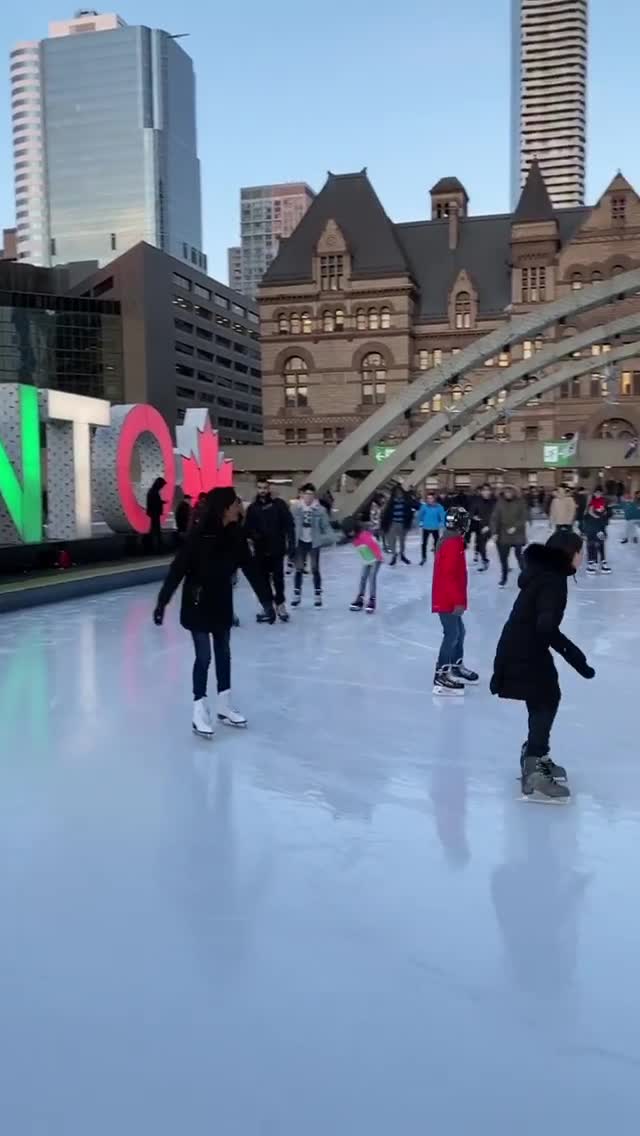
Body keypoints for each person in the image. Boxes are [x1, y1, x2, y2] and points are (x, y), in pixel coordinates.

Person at [153, 487, 275, 739]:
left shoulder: (235, 537)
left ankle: (223, 705)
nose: (240, 506)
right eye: (235, 503)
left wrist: (267, 600)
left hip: (220, 603)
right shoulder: (198, 537)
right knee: (204, 656)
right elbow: (177, 571)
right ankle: (199, 709)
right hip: (197, 604)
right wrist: (162, 602)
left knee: (224, 653)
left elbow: (251, 569)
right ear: (225, 508)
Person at [490, 531, 595, 801]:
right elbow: (546, 626)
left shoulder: (543, 573)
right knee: (546, 697)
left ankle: (534, 755)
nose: (581, 557)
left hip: (521, 644)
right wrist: (573, 655)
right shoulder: (554, 581)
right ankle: (535, 762)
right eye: (579, 551)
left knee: (543, 697)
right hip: (526, 647)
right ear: (568, 553)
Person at [431, 506, 479, 695]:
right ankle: (441, 676)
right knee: (451, 634)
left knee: (459, 632)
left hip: (449, 595)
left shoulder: (453, 539)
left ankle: (455, 667)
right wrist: (458, 601)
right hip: (447, 598)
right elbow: (449, 575)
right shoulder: (452, 543)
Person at [245, 479, 295, 622]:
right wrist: (254, 535)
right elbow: (247, 529)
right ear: (257, 489)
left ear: (269, 488)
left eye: (265, 488)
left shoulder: (279, 505)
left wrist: (292, 545)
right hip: (260, 550)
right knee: (263, 580)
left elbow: (289, 525)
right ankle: (267, 606)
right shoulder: (253, 508)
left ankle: (280, 604)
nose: (262, 491)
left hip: (277, 548)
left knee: (278, 579)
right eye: (260, 488)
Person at [291, 483, 335, 607]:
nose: (309, 497)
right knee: (299, 569)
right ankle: (296, 595)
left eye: (311, 495)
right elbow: (290, 524)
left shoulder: (320, 510)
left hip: (314, 542)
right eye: (307, 494)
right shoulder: (295, 508)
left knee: (315, 569)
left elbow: (325, 525)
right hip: (300, 542)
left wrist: (332, 537)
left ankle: (317, 595)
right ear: (302, 494)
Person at [343, 517, 383, 613]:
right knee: (363, 577)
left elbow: (375, 546)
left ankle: (372, 600)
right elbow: (360, 548)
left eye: (351, 531)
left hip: (375, 559)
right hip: (366, 558)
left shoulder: (364, 535)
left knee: (372, 578)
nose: (350, 533)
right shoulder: (353, 538)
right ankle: (360, 598)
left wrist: (377, 559)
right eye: (348, 532)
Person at [491, 486, 528, 586]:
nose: (508, 494)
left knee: (519, 555)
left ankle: (527, 576)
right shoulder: (499, 503)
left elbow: (524, 516)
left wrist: (515, 527)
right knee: (503, 557)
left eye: (510, 492)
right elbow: (494, 518)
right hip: (503, 533)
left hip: (517, 533)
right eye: (506, 492)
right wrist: (494, 532)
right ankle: (504, 577)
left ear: (514, 492)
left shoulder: (520, 502)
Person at [382, 483, 413, 565]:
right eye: (397, 492)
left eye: (400, 492)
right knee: (392, 540)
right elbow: (386, 513)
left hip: (402, 524)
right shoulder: (391, 502)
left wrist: (408, 523)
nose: (399, 494)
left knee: (402, 541)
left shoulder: (406, 501)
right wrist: (384, 525)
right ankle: (394, 555)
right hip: (393, 523)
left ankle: (402, 554)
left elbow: (410, 512)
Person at [583, 489, 611, 573]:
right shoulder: (589, 506)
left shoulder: (604, 503)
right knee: (591, 545)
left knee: (601, 544)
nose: (598, 494)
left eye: (599, 492)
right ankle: (591, 563)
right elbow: (586, 517)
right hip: (591, 529)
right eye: (596, 493)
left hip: (600, 528)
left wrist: (604, 513)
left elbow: (608, 514)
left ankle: (603, 562)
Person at [417, 490, 445, 564]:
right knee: (424, 543)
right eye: (428, 498)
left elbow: (442, 516)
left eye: (431, 498)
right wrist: (421, 521)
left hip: (435, 527)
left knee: (436, 543)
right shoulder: (424, 506)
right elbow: (420, 515)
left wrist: (442, 524)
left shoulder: (439, 507)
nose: (429, 500)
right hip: (426, 527)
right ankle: (423, 558)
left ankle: (437, 557)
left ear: (434, 499)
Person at [471, 484, 494, 571]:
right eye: (484, 490)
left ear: (490, 491)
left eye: (488, 490)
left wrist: (489, 526)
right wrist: (474, 516)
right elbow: (471, 512)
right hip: (481, 526)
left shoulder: (494, 501)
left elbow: (497, 515)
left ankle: (506, 564)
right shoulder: (477, 501)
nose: (486, 492)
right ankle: (485, 561)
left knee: (503, 545)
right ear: (481, 492)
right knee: (481, 545)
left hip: (493, 526)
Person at [146, 477, 166, 553]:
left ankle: (155, 547)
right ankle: (157, 547)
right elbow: (154, 503)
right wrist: (160, 503)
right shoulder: (154, 492)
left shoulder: (152, 491)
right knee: (156, 530)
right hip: (155, 514)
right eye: (162, 486)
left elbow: (153, 502)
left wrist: (161, 502)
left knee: (154, 530)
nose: (162, 487)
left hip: (154, 513)